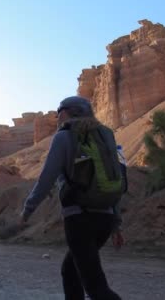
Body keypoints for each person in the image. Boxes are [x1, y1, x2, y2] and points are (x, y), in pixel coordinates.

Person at [20, 96, 125, 300]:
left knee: (95, 287)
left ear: (66, 113)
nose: (57, 117)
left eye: (59, 112)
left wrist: (28, 209)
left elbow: (47, 178)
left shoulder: (64, 136)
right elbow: (116, 178)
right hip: (105, 218)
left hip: (79, 219)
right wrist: (116, 224)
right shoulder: (105, 135)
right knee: (70, 271)